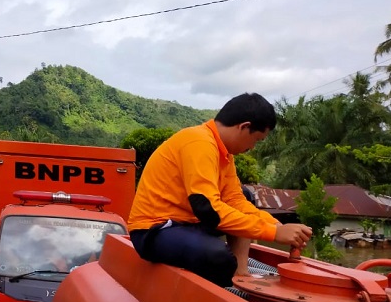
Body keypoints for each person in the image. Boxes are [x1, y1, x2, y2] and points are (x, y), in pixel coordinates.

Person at [127, 93, 312, 287]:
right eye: (256, 140)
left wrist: (277, 226)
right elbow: (208, 210)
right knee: (218, 258)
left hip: (191, 222)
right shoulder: (199, 143)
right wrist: (273, 233)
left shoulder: (224, 154)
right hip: (156, 230)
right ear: (244, 127)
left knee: (246, 195)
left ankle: (241, 271)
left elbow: (235, 201)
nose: (252, 147)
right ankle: (224, 295)